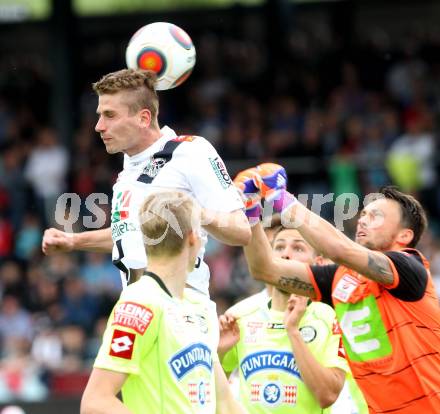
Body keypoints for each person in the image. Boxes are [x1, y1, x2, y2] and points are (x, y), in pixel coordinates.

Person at [235, 164, 440, 414]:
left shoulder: (411, 267)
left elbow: (338, 250)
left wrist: (282, 200)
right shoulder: (340, 279)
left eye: (376, 216)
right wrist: (250, 209)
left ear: (405, 236)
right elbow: (264, 269)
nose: (362, 220)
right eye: (363, 214)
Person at [42, 69, 250, 294]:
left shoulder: (190, 151)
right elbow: (129, 233)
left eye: (110, 115)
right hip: (136, 304)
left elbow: (241, 231)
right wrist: (73, 241)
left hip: (181, 309)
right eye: (100, 115)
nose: (99, 126)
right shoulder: (128, 168)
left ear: (143, 118)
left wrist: (191, 212)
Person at [81, 191, 245, 414]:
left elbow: (224, 403)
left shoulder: (201, 306)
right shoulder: (139, 304)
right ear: (192, 239)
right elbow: (95, 402)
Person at [219, 226, 367, 413]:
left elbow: (327, 395)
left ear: (319, 263)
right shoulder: (241, 315)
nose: (286, 255)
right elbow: (213, 390)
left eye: (298, 248)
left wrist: (293, 331)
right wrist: (220, 352)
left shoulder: (329, 318)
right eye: (279, 248)